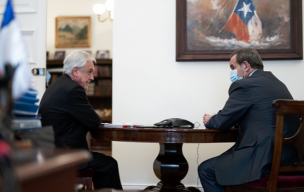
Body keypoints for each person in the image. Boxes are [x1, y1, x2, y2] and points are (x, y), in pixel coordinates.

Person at [198, 48, 299, 192]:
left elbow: (221, 122)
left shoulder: (244, 85)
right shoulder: (277, 83)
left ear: (245, 65)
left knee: (206, 170)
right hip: (290, 157)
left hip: (264, 157)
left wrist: (210, 119)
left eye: (233, 67)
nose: (232, 72)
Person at [39, 50, 122, 189]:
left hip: (51, 151)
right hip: (65, 154)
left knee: (105, 163)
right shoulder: (73, 90)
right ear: (75, 71)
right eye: (89, 72)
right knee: (109, 165)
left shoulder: (57, 85)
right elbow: (94, 121)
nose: (92, 78)